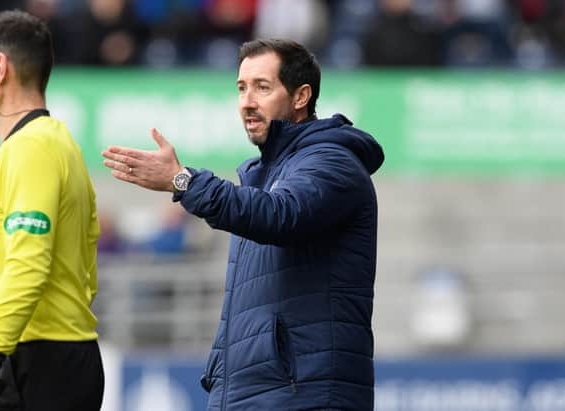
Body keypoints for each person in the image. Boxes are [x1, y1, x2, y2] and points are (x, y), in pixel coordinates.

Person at [103, 38, 384, 410]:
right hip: (253, 392)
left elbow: (279, 215)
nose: (247, 101)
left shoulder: (333, 162)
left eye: (262, 87)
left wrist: (183, 181)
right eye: (241, 87)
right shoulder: (261, 176)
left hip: (304, 394)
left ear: (301, 97)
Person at [0, 10, 103, 411]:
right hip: (50, 356)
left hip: (39, 360)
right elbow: (87, 261)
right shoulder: (54, 143)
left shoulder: (32, 148)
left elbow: (27, 264)